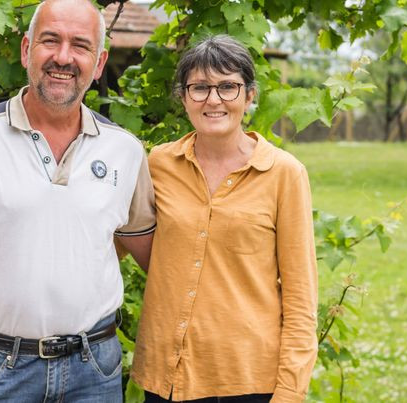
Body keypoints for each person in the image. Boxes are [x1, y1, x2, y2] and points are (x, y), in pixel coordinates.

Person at [0, 0, 156, 403]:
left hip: (95, 371)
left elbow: (154, 258)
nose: (63, 57)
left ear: (99, 64)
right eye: (49, 40)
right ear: (26, 49)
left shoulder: (125, 151)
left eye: (80, 45)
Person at [131, 35, 319, 403]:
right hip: (168, 378)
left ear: (250, 96)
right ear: (183, 97)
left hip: (250, 381)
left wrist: (290, 393)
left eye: (228, 87)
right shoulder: (157, 165)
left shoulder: (284, 174)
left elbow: (300, 299)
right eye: (199, 88)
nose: (213, 100)